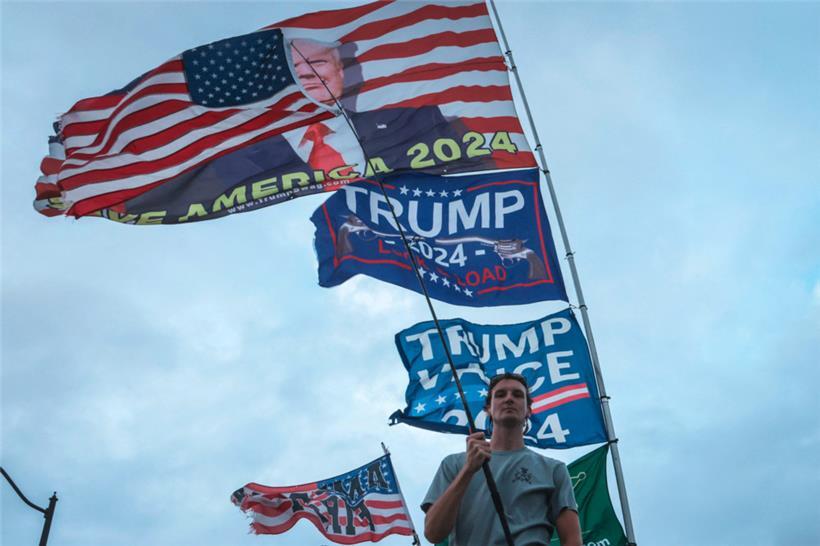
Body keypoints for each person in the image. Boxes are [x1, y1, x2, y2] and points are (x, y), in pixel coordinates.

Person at [422, 373, 583, 546]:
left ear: (529, 409)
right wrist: (468, 470)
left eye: (517, 394)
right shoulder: (453, 465)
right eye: (500, 395)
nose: (509, 399)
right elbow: (433, 534)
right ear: (488, 409)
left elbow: (572, 539)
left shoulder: (553, 470)